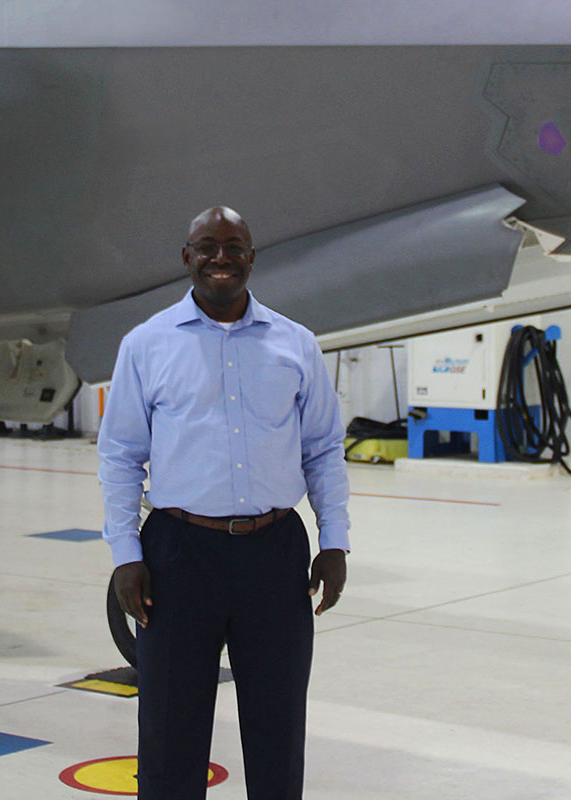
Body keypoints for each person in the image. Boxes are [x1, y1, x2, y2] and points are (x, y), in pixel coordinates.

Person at [98, 206, 350, 800]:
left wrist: (334, 541)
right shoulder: (146, 345)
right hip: (177, 555)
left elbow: (324, 449)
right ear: (187, 257)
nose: (220, 258)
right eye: (206, 247)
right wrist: (124, 553)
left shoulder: (296, 344)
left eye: (233, 246)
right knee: (169, 730)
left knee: (277, 725)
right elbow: (120, 456)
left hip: (274, 553)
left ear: (251, 258)